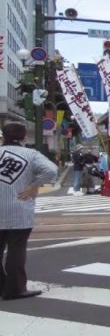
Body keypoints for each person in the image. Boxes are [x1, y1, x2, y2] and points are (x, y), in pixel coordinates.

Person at [0, 123, 58, 300]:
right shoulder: (31, 154)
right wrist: (34, 186)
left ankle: (2, 286)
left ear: (3, 137)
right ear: (24, 138)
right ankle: (15, 289)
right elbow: (51, 170)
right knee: (16, 250)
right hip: (19, 210)